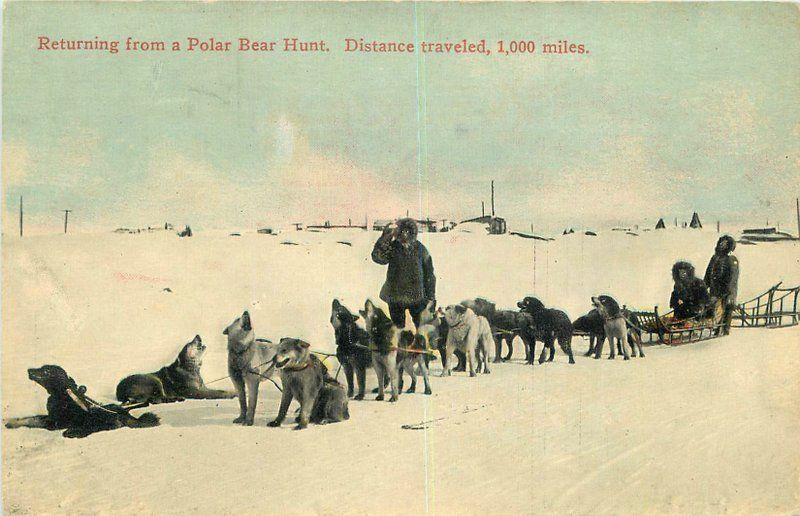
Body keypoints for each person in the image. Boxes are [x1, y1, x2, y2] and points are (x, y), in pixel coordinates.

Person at [371, 218, 436, 328]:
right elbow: (378, 257)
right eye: (402, 231)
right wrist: (385, 237)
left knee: (421, 329)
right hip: (395, 297)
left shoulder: (421, 249)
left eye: (408, 231)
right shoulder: (393, 247)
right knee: (398, 332)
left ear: (413, 232)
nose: (405, 234)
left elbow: (429, 274)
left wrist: (431, 297)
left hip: (417, 297)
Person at [704, 235, 739, 335]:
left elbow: (733, 278)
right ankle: (716, 329)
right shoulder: (714, 258)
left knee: (725, 310)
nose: (722, 245)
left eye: (725, 243)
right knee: (714, 309)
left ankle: (724, 331)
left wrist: (729, 292)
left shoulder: (732, 259)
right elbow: (708, 273)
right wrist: (704, 286)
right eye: (721, 243)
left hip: (727, 292)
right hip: (715, 290)